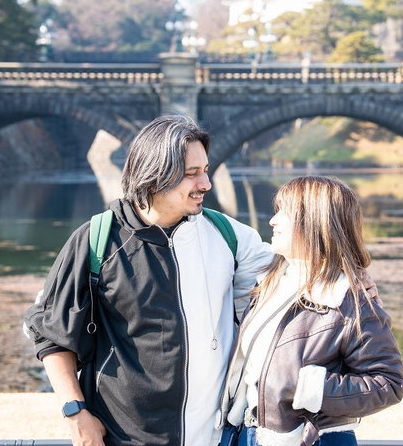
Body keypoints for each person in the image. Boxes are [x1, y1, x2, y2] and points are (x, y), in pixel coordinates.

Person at [24, 115, 273, 446]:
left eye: (206, 170)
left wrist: (355, 278)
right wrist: (75, 413)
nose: (206, 184)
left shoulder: (230, 237)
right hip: (122, 439)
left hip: (215, 439)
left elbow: (295, 282)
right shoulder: (96, 241)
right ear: (155, 177)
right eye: (192, 174)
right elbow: (51, 334)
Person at [217, 176, 403, 446]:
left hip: (313, 440)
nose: (273, 221)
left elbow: (389, 382)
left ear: (313, 222)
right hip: (251, 435)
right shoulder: (270, 283)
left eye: (284, 212)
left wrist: (313, 389)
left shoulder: (348, 299)